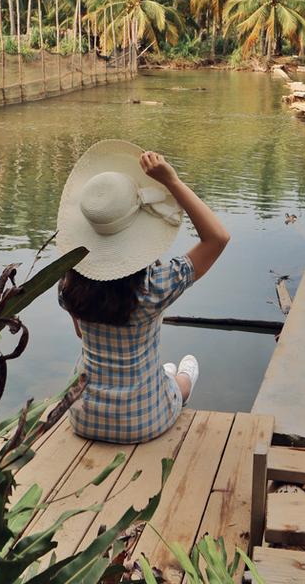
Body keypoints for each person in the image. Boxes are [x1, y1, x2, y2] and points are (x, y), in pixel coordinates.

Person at [57, 139, 230, 443]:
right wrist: (172, 182)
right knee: (181, 381)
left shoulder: (69, 284)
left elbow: (82, 335)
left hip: (83, 416)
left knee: (156, 372)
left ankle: (163, 376)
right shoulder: (155, 287)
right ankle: (179, 380)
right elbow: (217, 238)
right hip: (144, 421)